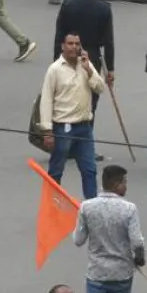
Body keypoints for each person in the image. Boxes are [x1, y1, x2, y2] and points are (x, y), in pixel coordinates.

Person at [39, 31, 106, 198]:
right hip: (63, 128)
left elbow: (100, 88)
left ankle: (91, 208)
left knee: (89, 170)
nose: (74, 47)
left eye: (77, 44)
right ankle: (52, 205)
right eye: (70, 44)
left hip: (84, 128)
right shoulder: (54, 70)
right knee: (56, 170)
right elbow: (46, 100)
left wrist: (89, 70)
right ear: (63, 46)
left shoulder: (86, 65)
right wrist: (47, 131)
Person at [74, 165, 144, 293]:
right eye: (125, 182)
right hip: (122, 274)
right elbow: (137, 241)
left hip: (96, 273)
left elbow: (78, 240)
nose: (126, 186)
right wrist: (139, 258)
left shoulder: (86, 207)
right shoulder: (129, 209)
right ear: (116, 184)